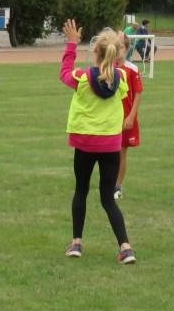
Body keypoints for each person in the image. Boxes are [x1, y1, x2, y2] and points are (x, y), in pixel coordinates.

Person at [60, 19, 136, 264]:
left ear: (95, 51)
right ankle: (125, 247)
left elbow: (64, 73)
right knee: (107, 198)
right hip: (111, 145)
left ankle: (76, 243)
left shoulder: (83, 78)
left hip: (85, 143)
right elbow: (114, 78)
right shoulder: (121, 78)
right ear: (116, 54)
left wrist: (72, 44)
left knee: (81, 191)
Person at [114, 32, 144, 199]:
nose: (117, 51)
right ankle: (108, 183)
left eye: (120, 47)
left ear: (126, 49)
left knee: (121, 152)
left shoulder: (132, 69)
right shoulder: (107, 67)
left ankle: (117, 186)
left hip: (125, 118)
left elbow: (138, 93)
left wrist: (131, 116)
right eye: (115, 47)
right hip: (108, 118)